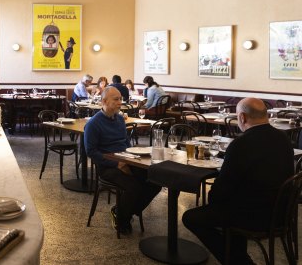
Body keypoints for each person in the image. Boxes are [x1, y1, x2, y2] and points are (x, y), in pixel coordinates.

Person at [182, 98, 293, 264]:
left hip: (254, 216)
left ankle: (239, 261)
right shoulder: (283, 138)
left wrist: (212, 199)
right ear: (266, 114)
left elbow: (222, 190)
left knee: (191, 217)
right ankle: (238, 257)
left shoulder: (241, 144)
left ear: (242, 117)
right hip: (282, 212)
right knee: (232, 203)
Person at [84, 87, 161, 233]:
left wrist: (132, 158)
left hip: (127, 160)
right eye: (116, 99)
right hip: (107, 166)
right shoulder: (93, 124)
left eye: (121, 99)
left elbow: (125, 143)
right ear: (104, 101)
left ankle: (122, 211)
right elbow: (91, 152)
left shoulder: (119, 119)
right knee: (134, 187)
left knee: (155, 182)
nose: (120, 102)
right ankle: (123, 219)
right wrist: (117, 163)